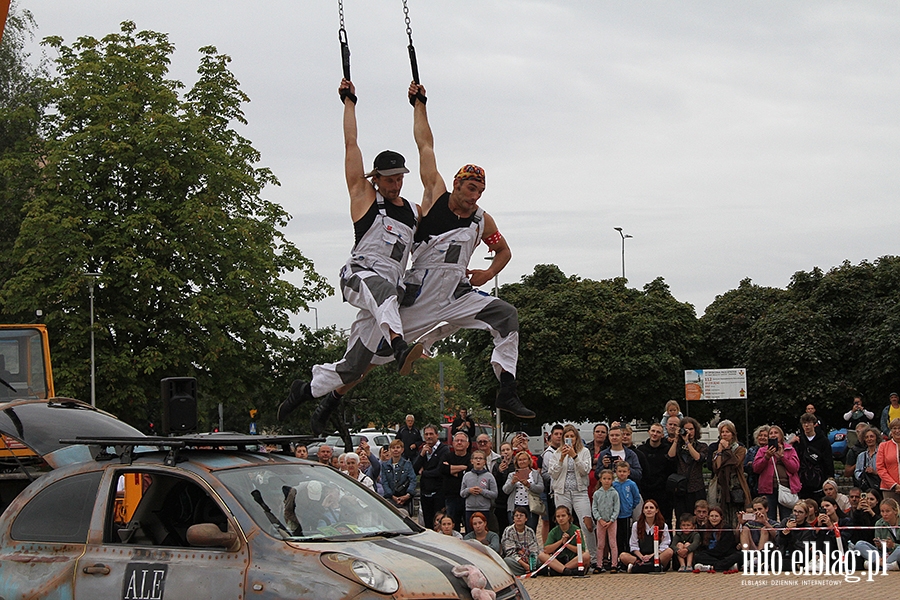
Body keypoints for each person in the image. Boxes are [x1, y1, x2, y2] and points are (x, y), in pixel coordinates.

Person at [277, 79, 423, 433]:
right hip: (360, 276)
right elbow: (350, 143)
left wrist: (419, 105)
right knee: (386, 292)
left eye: (399, 178)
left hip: (386, 295)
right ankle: (399, 343)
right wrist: (349, 101)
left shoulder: (414, 213)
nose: (395, 184)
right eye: (388, 178)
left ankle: (307, 390)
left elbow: (429, 157)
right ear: (376, 178)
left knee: (356, 366)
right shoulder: (364, 197)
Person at [403, 82, 533, 420]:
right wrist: (419, 104)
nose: (474, 196)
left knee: (506, 315)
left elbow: (504, 251)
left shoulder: (481, 219)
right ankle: (328, 393)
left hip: (458, 292)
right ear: (457, 184)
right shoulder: (435, 195)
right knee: (375, 352)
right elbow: (424, 145)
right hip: (422, 289)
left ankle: (507, 389)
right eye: (470, 188)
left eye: (480, 191)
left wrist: (489, 273)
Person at [753, 425, 801, 521]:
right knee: (769, 517)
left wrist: (782, 457)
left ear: (781, 435)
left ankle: (785, 535)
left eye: (776, 433)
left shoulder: (790, 449)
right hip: (768, 489)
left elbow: (795, 468)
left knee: (787, 517)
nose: (773, 435)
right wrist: (766, 457)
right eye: (771, 433)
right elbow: (756, 468)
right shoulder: (762, 450)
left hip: (786, 487)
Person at [708, 420, 752, 524]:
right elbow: (717, 466)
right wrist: (719, 451)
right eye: (722, 432)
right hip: (722, 485)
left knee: (737, 514)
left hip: (736, 484)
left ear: (732, 434)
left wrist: (727, 449)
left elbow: (735, 462)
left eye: (727, 432)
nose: (724, 434)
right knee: (723, 514)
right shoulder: (716, 450)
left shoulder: (740, 449)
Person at [667, 417, 708, 519]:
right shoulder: (678, 445)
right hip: (681, 488)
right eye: (686, 429)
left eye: (691, 429)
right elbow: (670, 456)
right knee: (681, 517)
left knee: (697, 517)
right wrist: (677, 439)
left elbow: (698, 457)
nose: (689, 432)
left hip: (696, 487)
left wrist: (687, 442)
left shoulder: (701, 446)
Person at [619, 499, 673, 573]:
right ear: (643, 511)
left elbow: (665, 544)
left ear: (656, 510)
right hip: (640, 557)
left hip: (656, 556)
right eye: (646, 508)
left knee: (669, 552)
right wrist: (642, 557)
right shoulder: (636, 525)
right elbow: (633, 544)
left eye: (651, 508)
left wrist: (651, 555)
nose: (649, 510)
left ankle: (639, 568)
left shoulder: (663, 525)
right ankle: (652, 567)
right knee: (623, 556)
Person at [638, 422, 674, 528]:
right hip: (645, 489)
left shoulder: (667, 450)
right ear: (649, 432)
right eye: (653, 431)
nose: (655, 434)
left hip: (662, 491)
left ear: (662, 435)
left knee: (664, 520)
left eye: (658, 432)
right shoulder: (641, 450)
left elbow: (671, 469)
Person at [538, 506, 591, 576]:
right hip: (558, 560)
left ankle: (560, 570)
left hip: (572, 560)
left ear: (568, 517)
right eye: (558, 516)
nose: (561, 518)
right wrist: (560, 541)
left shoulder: (576, 530)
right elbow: (546, 549)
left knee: (586, 556)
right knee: (542, 555)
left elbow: (582, 550)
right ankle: (566, 571)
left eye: (563, 516)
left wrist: (567, 544)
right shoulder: (554, 531)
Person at [414, 423, 448, 528]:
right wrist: (421, 455)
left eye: (431, 434)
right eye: (426, 434)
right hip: (425, 493)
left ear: (437, 435)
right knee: (428, 522)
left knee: (438, 523)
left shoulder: (444, 450)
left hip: (439, 492)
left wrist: (424, 473)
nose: (429, 436)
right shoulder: (423, 450)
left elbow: (439, 471)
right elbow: (414, 469)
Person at [851, 498, 900, 570]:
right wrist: (879, 545)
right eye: (882, 511)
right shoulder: (879, 523)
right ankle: (883, 565)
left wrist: (893, 545)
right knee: (859, 544)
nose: (884, 514)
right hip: (883, 555)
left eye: (887, 511)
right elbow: (879, 549)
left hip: (896, 553)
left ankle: (878, 565)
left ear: (895, 511)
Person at [796, 412, 834, 501]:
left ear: (814, 424)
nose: (806, 425)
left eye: (809, 423)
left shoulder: (823, 440)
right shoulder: (798, 440)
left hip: (819, 478)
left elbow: (828, 459)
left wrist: (830, 476)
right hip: (803, 479)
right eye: (804, 423)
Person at [503, 450, 544, 531]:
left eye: (524, 459)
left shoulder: (535, 474)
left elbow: (541, 488)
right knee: (514, 530)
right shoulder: (512, 475)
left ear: (529, 461)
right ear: (516, 462)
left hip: (530, 506)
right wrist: (512, 483)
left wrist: (529, 485)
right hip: (515, 505)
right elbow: (505, 490)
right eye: (520, 460)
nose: (522, 462)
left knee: (531, 529)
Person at [612, 461, 642, 565]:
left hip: (627, 515)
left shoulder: (631, 484)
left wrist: (631, 506)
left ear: (628, 472)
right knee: (617, 538)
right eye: (620, 471)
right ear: (616, 472)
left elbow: (636, 497)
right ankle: (617, 559)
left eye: (624, 471)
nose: (622, 474)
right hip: (615, 516)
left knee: (627, 537)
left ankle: (627, 559)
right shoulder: (613, 484)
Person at [461, 450, 498, 531]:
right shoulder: (467, 476)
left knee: (483, 532)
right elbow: (462, 493)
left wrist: (482, 491)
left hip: (484, 509)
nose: (478, 460)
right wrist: (469, 490)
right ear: (472, 461)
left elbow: (495, 494)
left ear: (484, 461)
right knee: (470, 532)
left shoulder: (489, 476)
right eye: (476, 458)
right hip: (469, 509)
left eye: (480, 458)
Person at [591, 468, 620, 574]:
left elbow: (616, 508)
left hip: (612, 522)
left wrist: (612, 520)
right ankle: (599, 564)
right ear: (601, 480)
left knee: (613, 543)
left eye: (609, 479)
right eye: (604, 478)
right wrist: (599, 519)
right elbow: (594, 508)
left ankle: (614, 564)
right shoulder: (597, 494)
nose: (607, 481)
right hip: (600, 522)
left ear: (612, 480)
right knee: (601, 544)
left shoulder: (614, 493)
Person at [442, 432, 472, 531]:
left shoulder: (471, 458)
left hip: (467, 497)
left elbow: (467, 475)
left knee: (469, 526)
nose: (459, 443)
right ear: (453, 443)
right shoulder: (446, 456)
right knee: (453, 527)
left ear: (467, 444)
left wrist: (451, 469)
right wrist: (462, 468)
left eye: (462, 441)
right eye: (457, 440)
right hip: (451, 497)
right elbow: (443, 470)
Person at [501, 507, 542, 576]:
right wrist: (524, 564)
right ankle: (530, 570)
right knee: (507, 561)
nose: (518, 518)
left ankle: (531, 569)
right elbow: (510, 552)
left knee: (541, 557)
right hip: (516, 560)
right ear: (513, 519)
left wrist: (531, 563)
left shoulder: (530, 531)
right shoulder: (509, 531)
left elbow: (534, 549)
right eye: (516, 516)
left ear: (526, 518)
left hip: (529, 558)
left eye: (521, 515)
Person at [381, 439, 417, 512]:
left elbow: (413, 480)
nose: (395, 450)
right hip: (390, 498)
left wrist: (407, 495)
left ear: (402, 450)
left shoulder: (407, 464)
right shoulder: (385, 465)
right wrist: (392, 496)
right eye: (393, 448)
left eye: (398, 447)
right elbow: (384, 482)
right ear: (390, 450)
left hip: (405, 499)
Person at [492, 441, 515, 531]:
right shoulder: (497, 465)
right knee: (502, 527)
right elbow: (494, 482)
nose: (506, 452)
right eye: (503, 450)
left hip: (513, 499)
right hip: (500, 501)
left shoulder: (516, 464)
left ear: (512, 451)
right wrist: (499, 472)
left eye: (508, 449)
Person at [877, 418, 900, 505]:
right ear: (891, 430)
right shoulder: (883, 446)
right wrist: (894, 485)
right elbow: (880, 468)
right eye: (894, 428)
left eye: (899, 428)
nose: (897, 431)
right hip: (889, 488)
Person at [744, 425, 770, 499]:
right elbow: (745, 466)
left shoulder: (773, 451)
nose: (762, 437)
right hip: (753, 483)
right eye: (760, 435)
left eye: (765, 436)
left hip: (767, 483)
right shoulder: (752, 450)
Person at [855, 426, 882, 492]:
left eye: (871, 436)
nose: (869, 439)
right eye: (866, 437)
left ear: (876, 438)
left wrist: (875, 472)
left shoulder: (882, 453)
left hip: (880, 485)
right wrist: (863, 474)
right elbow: (857, 471)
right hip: (866, 487)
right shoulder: (861, 456)